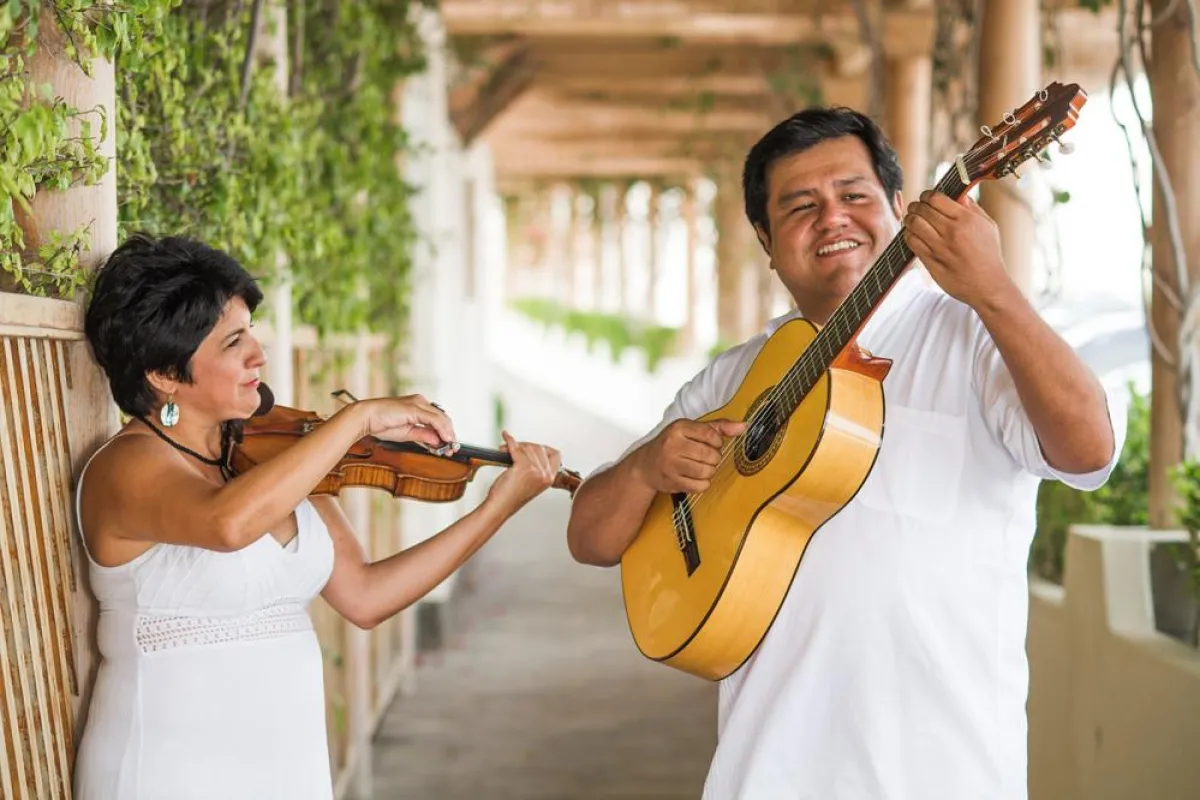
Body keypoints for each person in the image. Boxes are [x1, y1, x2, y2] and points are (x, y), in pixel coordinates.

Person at [565, 107, 1125, 799]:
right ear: (767, 243)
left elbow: (1089, 452)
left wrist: (994, 291)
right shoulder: (733, 377)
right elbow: (590, 536)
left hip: (942, 774)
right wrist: (647, 468)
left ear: (899, 207)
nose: (832, 218)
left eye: (854, 196)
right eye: (801, 206)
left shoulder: (976, 337)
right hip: (761, 775)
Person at [74, 233, 562, 800]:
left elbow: (365, 597)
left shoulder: (268, 451)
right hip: (168, 772)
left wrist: (497, 505)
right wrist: (356, 421)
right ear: (164, 374)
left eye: (251, 333)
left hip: (288, 770)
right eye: (234, 343)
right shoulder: (126, 468)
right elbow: (226, 526)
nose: (259, 355)